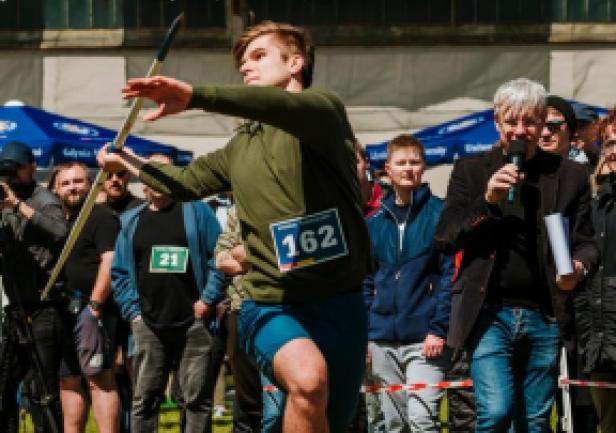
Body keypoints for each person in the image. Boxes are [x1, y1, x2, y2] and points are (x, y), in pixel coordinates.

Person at [97, 20, 372, 433]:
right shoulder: (240, 147)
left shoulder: (324, 113)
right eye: (243, 62)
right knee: (309, 381)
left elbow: (279, 107)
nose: (246, 67)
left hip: (340, 302)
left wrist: (195, 95)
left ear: (295, 63)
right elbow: (184, 183)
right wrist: (127, 161)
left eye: (259, 56)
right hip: (270, 302)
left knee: (333, 419)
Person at [434, 77, 599, 433]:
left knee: (535, 421)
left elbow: (586, 242)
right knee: (496, 411)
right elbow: (445, 238)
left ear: (541, 123)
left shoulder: (570, 175)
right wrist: (487, 201)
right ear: (497, 121)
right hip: (489, 313)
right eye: (511, 121)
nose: (520, 130)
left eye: (530, 121)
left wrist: (578, 267)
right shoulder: (471, 171)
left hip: (546, 313)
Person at [111, 154, 224, 433]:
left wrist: (207, 300)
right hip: (148, 324)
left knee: (196, 400)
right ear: (142, 181)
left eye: (165, 171)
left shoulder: (197, 211)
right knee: (144, 399)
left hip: (194, 322)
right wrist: (134, 313)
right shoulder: (131, 221)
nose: (159, 178)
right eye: (153, 172)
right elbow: (120, 272)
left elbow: (220, 257)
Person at [363, 134, 453, 433]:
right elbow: (365, 283)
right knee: (394, 424)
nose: (408, 168)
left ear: (424, 167)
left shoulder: (441, 213)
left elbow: (449, 276)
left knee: (422, 420)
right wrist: (367, 333)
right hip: (382, 340)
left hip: (425, 339)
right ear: (388, 169)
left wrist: (438, 329)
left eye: (414, 162)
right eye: (401, 163)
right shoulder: (374, 223)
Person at [0, 141, 69, 433]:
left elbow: (60, 231)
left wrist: (17, 205)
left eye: (18, 169)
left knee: (43, 390)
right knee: (4, 385)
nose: (13, 176)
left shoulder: (44, 199)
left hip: (45, 307)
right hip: (16, 308)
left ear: (32, 167)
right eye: (7, 170)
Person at [51, 161, 121, 433]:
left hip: (93, 310)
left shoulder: (101, 217)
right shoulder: (57, 220)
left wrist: (95, 304)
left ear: (91, 185)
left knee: (99, 379)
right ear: (56, 189)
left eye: (78, 181)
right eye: (66, 183)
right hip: (62, 311)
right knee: (68, 381)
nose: (73, 188)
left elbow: (110, 261)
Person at [575, 109, 616, 433]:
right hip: (601, 331)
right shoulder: (596, 199)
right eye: (610, 143)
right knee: (608, 422)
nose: (614, 151)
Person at [538, 95, 577, 159]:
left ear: (569, 130)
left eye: (555, 125)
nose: (545, 133)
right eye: (539, 125)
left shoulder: (584, 163)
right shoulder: (524, 161)